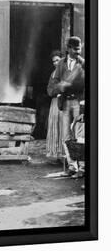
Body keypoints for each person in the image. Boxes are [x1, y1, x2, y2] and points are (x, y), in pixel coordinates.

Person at [48, 36, 85, 175]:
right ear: (68, 49)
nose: (78, 51)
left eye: (79, 48)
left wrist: (69, 85)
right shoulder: (61, 65)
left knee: (80, 136)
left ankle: (82, 168)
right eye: (75, 49)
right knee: (66, 136)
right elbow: (54, 82)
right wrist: (59, 88)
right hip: (65, 103)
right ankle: (72, 167)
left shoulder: (83, 64)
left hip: (78, 103)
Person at [45, 50, 64, 160]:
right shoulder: (53, 74)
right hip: (54, 102)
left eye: (58, 60)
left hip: (63, 102)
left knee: (62, 126)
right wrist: (54, 92)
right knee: (54, 125)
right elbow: (49, 89)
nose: (56, 63)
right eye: (54, 61)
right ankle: (55, 154)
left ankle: (64, 155)